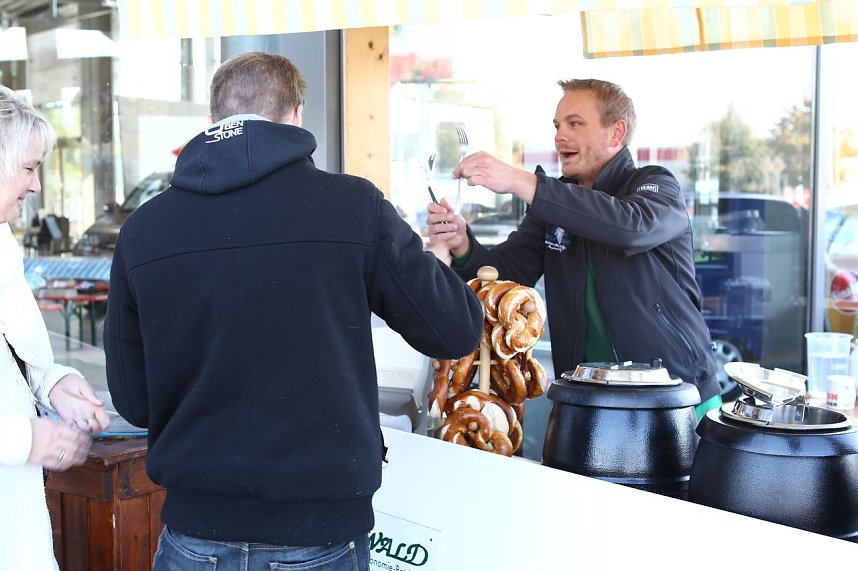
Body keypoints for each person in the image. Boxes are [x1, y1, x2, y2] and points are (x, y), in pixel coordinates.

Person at [103, 51, 482, 571]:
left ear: (213, 122)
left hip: (194, 534)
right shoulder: (354, 207)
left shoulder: (144, 230)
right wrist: (437, 260)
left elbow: (135, 401)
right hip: (320, 533)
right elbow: (454, 329)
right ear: (297, 114)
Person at [427, 78, 722, 418]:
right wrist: (462, 243)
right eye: (557, 125)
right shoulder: (553, 204)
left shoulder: (655, 185)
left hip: (677, 394)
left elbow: (629, 227)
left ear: (616, 133)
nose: (559, 136)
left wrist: (520, 181)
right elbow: (508, 271)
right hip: (585, 398)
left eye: (575, 123)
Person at [0, 85, 111, 570]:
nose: (36, 186)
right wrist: (26, 439)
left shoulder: (3, 242)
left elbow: (20, 353)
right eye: (28, 168)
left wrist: (56, 382)